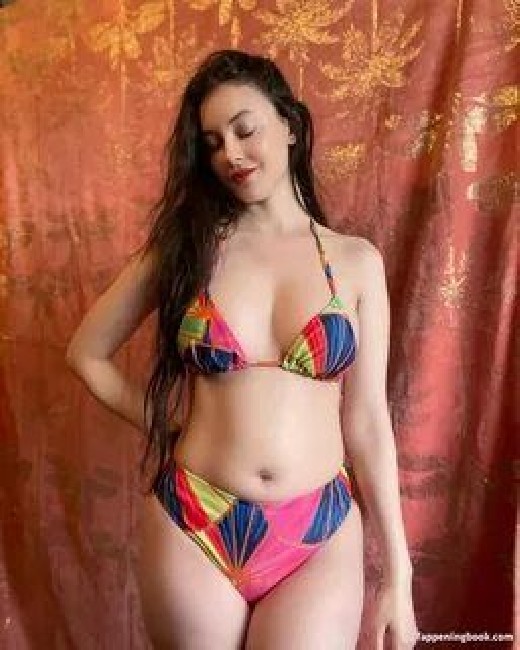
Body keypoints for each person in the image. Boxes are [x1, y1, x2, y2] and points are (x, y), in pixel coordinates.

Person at [66, 49, 419, 649]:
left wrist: (399, 576)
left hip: (317, 531)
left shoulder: (356, 262)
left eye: (245, 129)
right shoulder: (186, 251)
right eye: (212, 142)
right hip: (195, 520)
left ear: (290, 125)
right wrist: (167, 422)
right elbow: (87, 353)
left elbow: (367, 423)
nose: (230, 153)